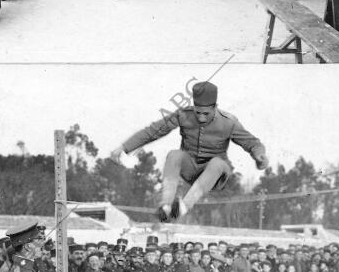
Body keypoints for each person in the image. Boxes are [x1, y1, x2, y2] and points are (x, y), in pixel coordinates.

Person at [111, 81, 268, 222]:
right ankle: (166, 206)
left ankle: (184, 206)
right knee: (174, 155)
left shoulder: (229, 122)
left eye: (206, 114)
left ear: (215, 107)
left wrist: (259, 155)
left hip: (216, 175)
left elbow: (252, 143)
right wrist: (124, 147)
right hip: (191, 171)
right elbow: (153, 131)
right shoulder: (183, 115)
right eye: (197, 112)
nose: (200, 118)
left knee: (217, 163)